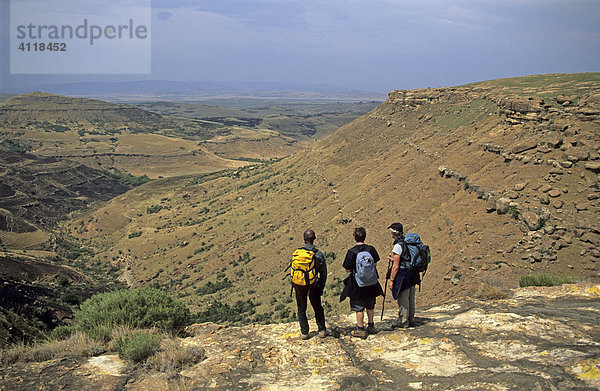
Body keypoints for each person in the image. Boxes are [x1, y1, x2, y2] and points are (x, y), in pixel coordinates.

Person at [342, 227, 383, 338]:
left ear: (354, 237)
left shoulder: (351, 252)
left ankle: (360, 329)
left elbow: (347, 269)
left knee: (359, 307)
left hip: (357, 284)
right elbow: (375, 264)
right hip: (371, 282)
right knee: (370, 305)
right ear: (365, 236)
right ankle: (371, 325)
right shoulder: (371, 249)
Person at [291, 229, 327, 339]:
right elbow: (323, 273)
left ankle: (304, 332)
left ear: (304, 239)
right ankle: (321, 330)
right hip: (314, 284)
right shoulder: (318, 254)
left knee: (301, 308)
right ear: (314, 239)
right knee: (317, 307)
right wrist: (321, 286)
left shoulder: (298, 253)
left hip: (299, 284)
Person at [387, 222, 420, 328]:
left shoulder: (398, 246)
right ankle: (411, 319)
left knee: (403, 297)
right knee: (411, 297)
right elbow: (407, 258)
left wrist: (392, 280)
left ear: (393, 232)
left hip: (403, 275)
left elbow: (396, 266)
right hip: (412, 273)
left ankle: (404, 321)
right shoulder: (406, 242)